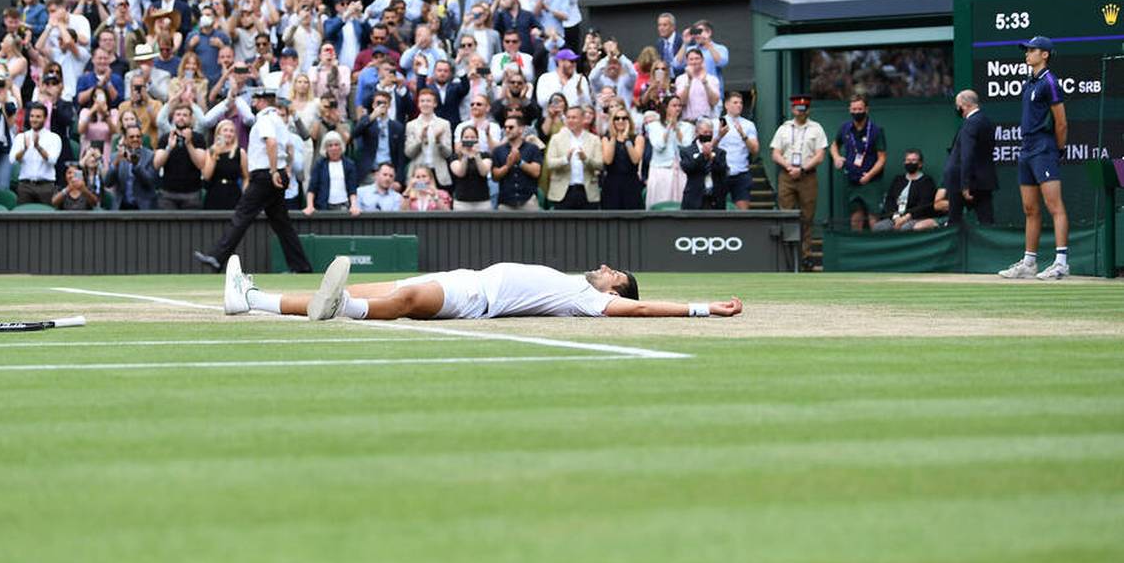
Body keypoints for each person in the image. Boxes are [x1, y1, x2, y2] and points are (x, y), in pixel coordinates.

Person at [222, 254, 743, 321]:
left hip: (477, 300)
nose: (608, 269)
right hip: (466, 278)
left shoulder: (593, 300)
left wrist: (702, 309)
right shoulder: (574, 285)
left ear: (615, 291)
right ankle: (250, 299)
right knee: (370, 284)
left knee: (402, 303)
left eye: (617, 276)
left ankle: (345, 311)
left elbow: (642, 307)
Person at [195, 88, 312, 273]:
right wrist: (284, 170)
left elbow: (271, 143)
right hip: (276, 174)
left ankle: (218, 257)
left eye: (256, 99)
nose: (254, 103)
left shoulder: (265, 119)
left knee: (242, 216)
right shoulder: (280, 121)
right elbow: (289, 147)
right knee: (282, 224)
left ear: (264, 101)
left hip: (265, 175)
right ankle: (302, 266)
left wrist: (274, 171)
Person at [999, 37, 1070, 280]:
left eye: (1032, 50)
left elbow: (1061, 122)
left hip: (1044, 148)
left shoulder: (1050, 81)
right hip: (1026, 149)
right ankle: (1030, 262)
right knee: (1030, 208)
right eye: (1027, 50)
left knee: (1054, 206)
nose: (1027, 54)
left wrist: (1058, 149)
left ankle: (1061, 262)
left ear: (1045, 54)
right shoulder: (1029, 82)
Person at [769, 94, 827, 268]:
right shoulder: (784, 128)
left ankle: (805, 255)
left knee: (807, 217)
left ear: (808, 110)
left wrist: (802, 169)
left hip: (807, 175)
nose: (800, 112)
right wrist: (789, 167)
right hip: (787, 175)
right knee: (785, 214)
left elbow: (820, 155)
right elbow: (775, 153)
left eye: (804, 109)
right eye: (797, 109)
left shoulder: (816, 128)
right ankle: (784, 254)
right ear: (793, 109)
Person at [829, 94, 887, 231]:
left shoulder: (875, 130)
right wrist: (837, 157)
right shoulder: (845, 128)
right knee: (855, 218)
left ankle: (876, 249)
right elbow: (834, 145)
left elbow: (882, 158)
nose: (856, 112)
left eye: (859, 109)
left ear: (866, 109)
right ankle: (858, 248)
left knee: (874, 218)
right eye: (853, 109)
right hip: (852, 181)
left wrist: (870, 175)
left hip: (871, 181)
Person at [943, 89, 998, 226]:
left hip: (962, 182)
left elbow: (967, 155)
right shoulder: (986, 121)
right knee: (987, 221)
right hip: (983, 180)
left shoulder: (970, 123)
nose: (957, 108)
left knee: (954, 222)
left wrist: (965, 184)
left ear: (965, 105)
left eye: (958, 105)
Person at [544, 104, 602, 209]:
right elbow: (550, 163)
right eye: (568, 117)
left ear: (582, 119)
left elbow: (600, 165)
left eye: (574, 118)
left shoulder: (594, 139)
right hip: (563, 192)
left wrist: (586, 159)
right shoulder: (556, 138)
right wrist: (565, 159)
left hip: (587, 192)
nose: (570, 120)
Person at [871, 150, 938, 232]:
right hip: (896, 217)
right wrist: (896, 217)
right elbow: (890, 200)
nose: (910, 163)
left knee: (905, 228)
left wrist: (905, 218)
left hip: (916, 218)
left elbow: (923, 205)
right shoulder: (898, 180)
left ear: (920, 164)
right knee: (878, 227)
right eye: (908, 160)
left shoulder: (926, 181)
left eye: (913, 160)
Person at [9, 102, 62, 205]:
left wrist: (38, 147)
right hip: (25, 185)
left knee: (47, 219)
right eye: (32, 116)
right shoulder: (21, 137)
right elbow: (12, 160)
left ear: (45, 118)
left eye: (38, 117)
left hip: (46, 186)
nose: (34, 119)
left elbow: (52, 160)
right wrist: (24, 149)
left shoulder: (54, 138)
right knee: (23, 219)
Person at [714, 92, 759, 210]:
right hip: (720, 173)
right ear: (726, 105)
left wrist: (743, 135)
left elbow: (755, 150)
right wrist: (719, 135)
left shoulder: (748, 125)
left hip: (741, 173)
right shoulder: (716, 123)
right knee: (717, 211)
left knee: (743, 213)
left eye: (741, 103)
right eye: (735, 102)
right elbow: (709, 148)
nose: (739, 105)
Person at [490, 116, 543, 211]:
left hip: (528, 201)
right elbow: (495, 176)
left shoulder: (532, 148)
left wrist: (520, 162)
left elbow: (536, 172)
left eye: (511, 127)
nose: (507, 130)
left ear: (521, 129)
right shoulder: (498, 151)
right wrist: (507, 166)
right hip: (505, 203)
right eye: (505, 127)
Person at [305, 131, 361, 215]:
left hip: (344, 206)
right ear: (326, 149)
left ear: (341, 147)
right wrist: (310, 206)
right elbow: (312, 188)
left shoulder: (349, 165)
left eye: (336, 145)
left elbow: (352, 188)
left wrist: (353, 205)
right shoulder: (320, 164)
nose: (333, 148)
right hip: (323, 207)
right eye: (330, 145)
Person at [105, 125, 159, 210]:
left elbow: (150, 183)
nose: (135, 139)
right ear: (125, 139)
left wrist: (136, 165)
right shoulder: (115, 156)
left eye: (138, 136)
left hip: (143, 207)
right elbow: (108, 183)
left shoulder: (150, 156)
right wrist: (115, 163)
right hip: (121, 207)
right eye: (131, 137)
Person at [601, 106, 645, 210]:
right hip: (612, 184)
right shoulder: (606, 138)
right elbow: (608, 160)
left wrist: (626, 139)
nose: (621, 121)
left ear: (629, 120)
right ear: (612, 121)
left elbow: (635, 160)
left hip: (631, 183)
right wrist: (613, 137)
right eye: (617, 118)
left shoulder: (638, 138)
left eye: (624, 118)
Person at [679, 117, 729, 209]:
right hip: (694, 200)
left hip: (715, 200)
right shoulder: (687, 151)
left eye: (710, 133)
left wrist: (712, 157)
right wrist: (703, 155)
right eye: (705, 132)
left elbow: (723, 170)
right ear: (697, 132)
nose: (708, 135)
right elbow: (688, 168)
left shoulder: (720, 153)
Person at [201, 120, 249, 210]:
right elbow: (206, 176)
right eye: (225, 130)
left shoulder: (240, 152)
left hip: (233, 193)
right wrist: (215, 154)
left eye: (231, 131)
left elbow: (246, 177)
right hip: (214, 192)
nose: (228, 133)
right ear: (219, 133)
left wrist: (244, 195)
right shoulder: (210, 151)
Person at [449, 124, 494, 211]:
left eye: (472, 137)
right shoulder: (455, 157)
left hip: (483, 201)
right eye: (466, 137)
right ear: (461, 139)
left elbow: (484, 172)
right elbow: (460, 173)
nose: (469, 140)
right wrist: (465, 156)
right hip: (461, 202)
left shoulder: (485, 155)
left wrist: (477, 155)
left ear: (477, 139)